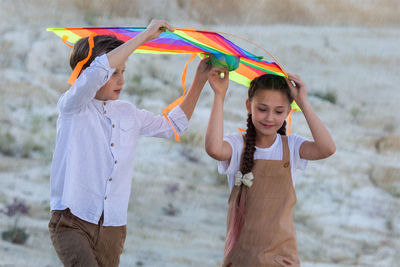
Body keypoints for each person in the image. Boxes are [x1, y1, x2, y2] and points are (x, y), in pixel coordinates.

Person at [48, 20, 210, 266]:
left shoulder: (127, 112)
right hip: (72, 219)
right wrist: (145, 36)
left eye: (124, 71)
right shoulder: (72, 106)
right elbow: (96, 71)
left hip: (113, 227)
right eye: (114, 73)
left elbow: (173, 126)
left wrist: (199, 81)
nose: (121, 81)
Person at [205, 68, 336, 266]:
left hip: (282, 260)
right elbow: (214, 148)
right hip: (242, 259)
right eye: (262, 109)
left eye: (279, 111)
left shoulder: (291, 147)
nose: (269, 118)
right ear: (249, 106)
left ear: (288, 112)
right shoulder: (238, 145)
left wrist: (303, 102)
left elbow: (327, 148)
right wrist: (219, 95)